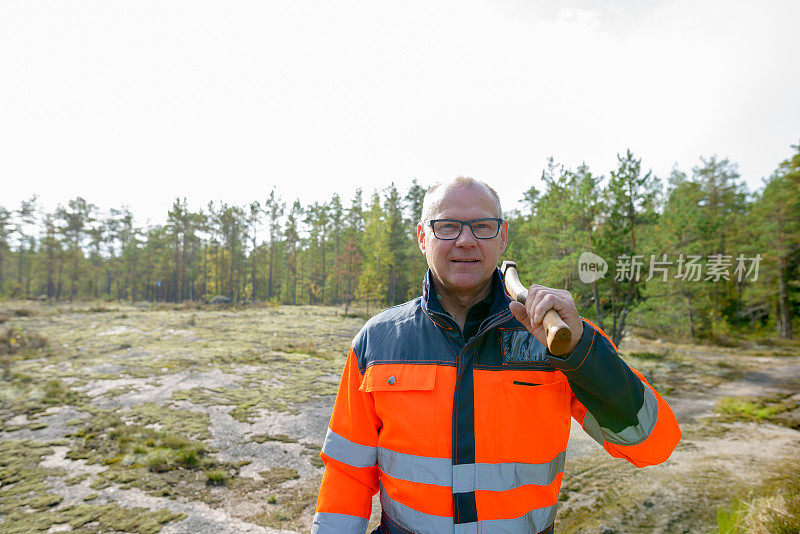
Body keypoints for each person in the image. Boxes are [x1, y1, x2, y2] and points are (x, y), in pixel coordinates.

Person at [312, 177, 681, 534]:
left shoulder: (561, 339)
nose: (466, 240)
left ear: (502, 237)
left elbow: (654, 445)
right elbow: (347, 473)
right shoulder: (378, 340)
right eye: (447, 226)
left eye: (482, 226)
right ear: (423, 238)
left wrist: (582, 353)